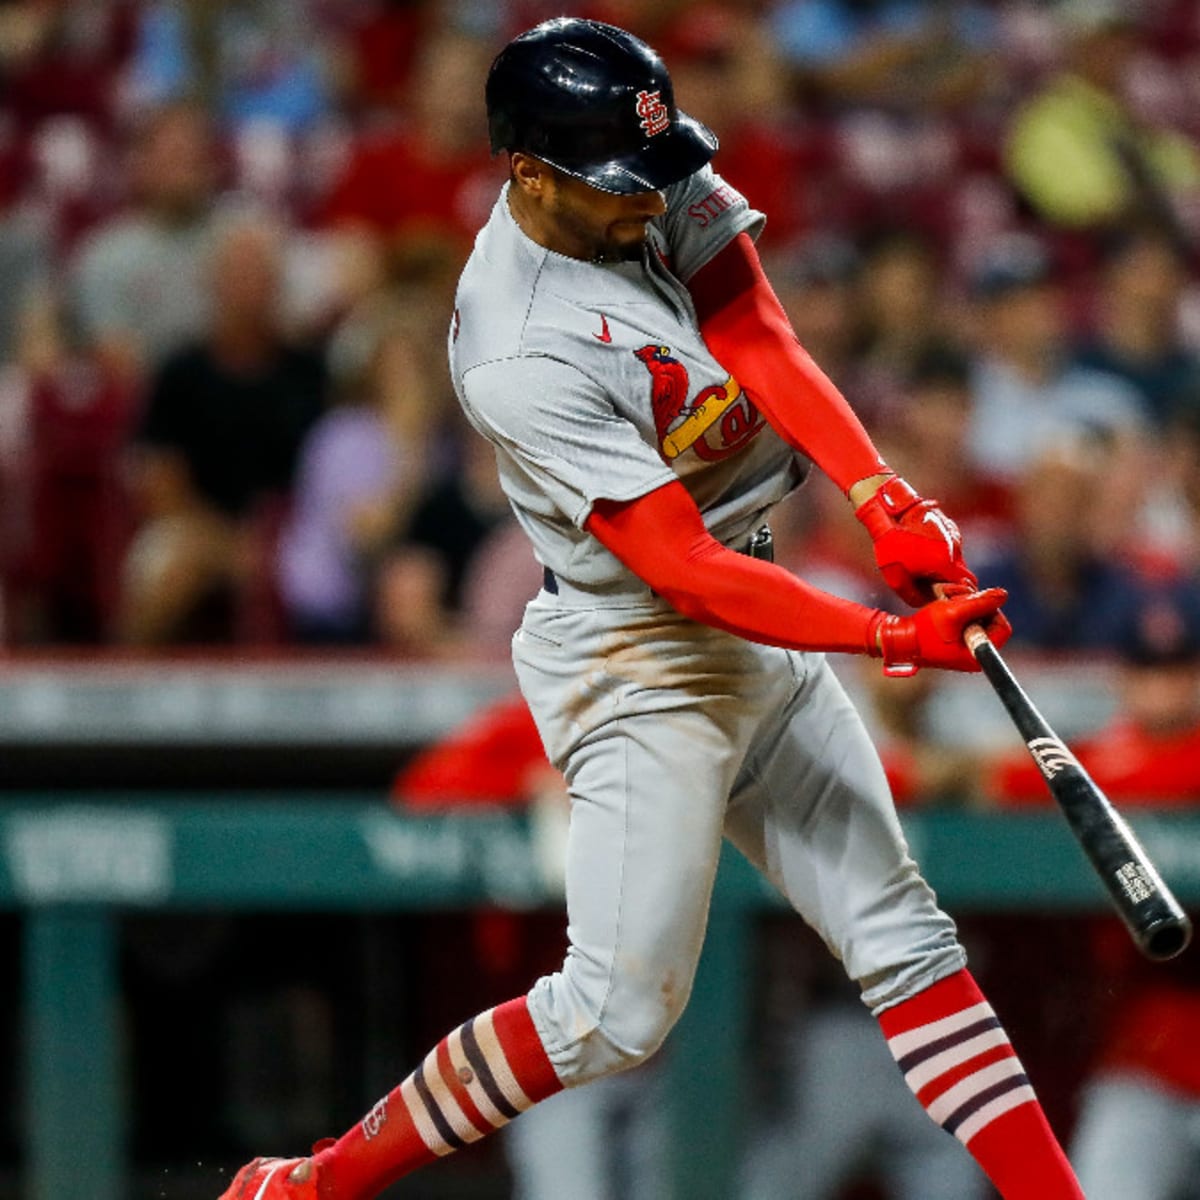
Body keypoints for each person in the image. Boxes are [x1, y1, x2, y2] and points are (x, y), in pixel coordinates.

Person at [219, 20, 1084, 1199]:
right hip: (639, 654)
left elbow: (751, 326)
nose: (650, 200)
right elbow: (682, 572)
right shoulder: (517, 344)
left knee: (908, 939)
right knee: (613, 1015)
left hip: (757, 595)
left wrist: (882, 496)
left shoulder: (635, 167)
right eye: (616, 186)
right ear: (528, 173)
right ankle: (318, 1182)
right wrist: (889, 638)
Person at [983, 583, 1200, 1199]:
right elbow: (997, 783)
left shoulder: (1106, 768)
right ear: (1123, 676)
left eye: (1179, 668)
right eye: (1147, 668)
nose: (1163, 685)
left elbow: (1154, 774)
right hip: (1145, 1047)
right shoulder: (1098, 758)